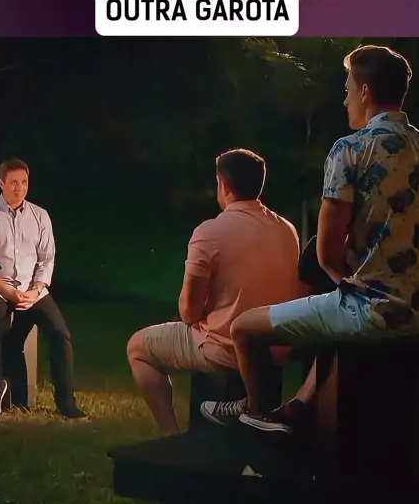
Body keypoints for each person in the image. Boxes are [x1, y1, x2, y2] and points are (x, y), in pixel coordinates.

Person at [201, 44, 419, 431]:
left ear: (365, 91)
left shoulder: (351, 150)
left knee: (244, 327)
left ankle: (259, 415)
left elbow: (327, 253)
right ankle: (297, 408)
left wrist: (345, 278)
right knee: (327, 314)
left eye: (347, 90)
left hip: (375, 313)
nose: (345, 100)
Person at [127, 148, 301, 434]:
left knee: (137, 347)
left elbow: (188, 312)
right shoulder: (287, 230)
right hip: (276, 348)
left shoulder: (210, 232)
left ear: (225, 185)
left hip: (227, 348)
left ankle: (172, 436)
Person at [0, 158, 87, 421]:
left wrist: (36, 290)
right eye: (13, 182)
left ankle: (66, 402)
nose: (19, 188)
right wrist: (8, 293)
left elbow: (47, 259)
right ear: (1, 183)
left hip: (32, 288)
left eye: (24, 182)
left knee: (60, 333)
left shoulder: (40, 216)